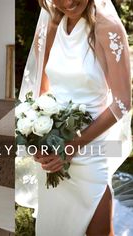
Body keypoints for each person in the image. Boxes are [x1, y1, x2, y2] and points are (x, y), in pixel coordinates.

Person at [17, 0, 132, 235]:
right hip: (53, 147)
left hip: (90, 151)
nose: (68, 2)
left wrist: (69, 148)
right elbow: (41, 91)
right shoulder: (50, 25)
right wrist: (38, 138)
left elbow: (122, 103)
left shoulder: (106, 26)